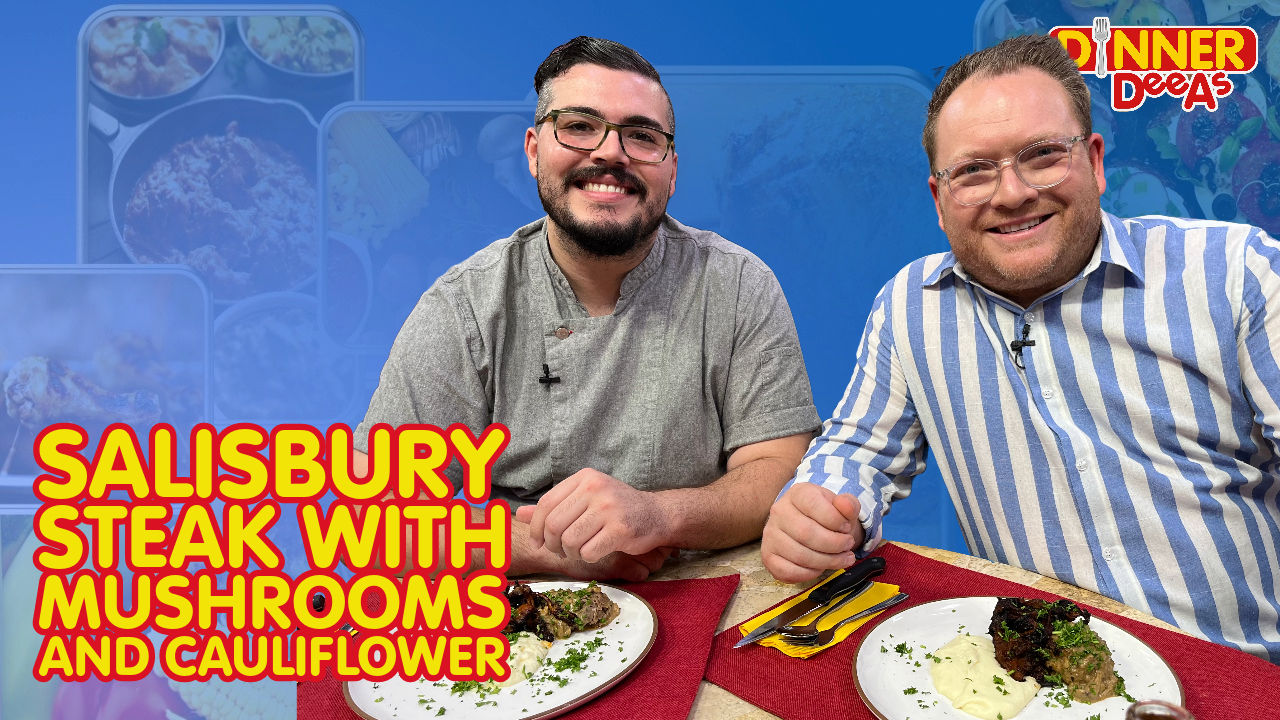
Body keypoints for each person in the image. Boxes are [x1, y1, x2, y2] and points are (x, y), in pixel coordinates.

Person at [761, 33, 1280, 661]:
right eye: (974, 171)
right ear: (939, 198)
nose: (1010, 193)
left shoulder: (1234, 273)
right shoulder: (909, 306)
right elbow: (856, 453)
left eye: (1040, 156)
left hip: (1242, 672)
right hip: (1040, 678)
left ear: (1094, 161)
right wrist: (816, 508)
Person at [352, 37, 820, 582]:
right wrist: (547, 547)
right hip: (525, 618)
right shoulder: (465, 307)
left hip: (711, 591)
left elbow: (776, 472)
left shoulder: (738, 284)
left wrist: (659, 517)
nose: (609, 153)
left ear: (672, 171)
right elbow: (373, 520)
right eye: (578, 126)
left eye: (642, 136)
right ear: (532, 150)